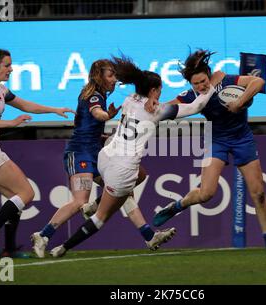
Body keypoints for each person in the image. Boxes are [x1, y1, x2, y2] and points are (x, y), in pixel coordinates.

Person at [48, 55, 219, 257]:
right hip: (122, 169)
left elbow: (145, 98)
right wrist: (211, 88)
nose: (161, 93)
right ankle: (63, 247)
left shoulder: (130, 99)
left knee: (137, 180)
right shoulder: (158, 110)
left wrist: (152, 98)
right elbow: (196, 107)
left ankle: (141, 231)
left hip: (105, 157)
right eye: (160, 89)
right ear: (154, 90)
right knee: (101, 217)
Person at [30, 59, 176, 258]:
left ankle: (148, 235)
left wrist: (104, 135)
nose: (114, 79)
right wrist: (106, 115)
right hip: (80, 153)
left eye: (115, 75)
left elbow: (82, 123)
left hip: (95, 151)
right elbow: (97, 114)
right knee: (80, 200)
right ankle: (43, 235)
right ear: (98, 76)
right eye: (110, 75)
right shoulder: (94, 97)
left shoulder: (95, 94)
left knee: (132, 182)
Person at [152, 49, 266, 253]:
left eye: (203, 81)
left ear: (209, 75)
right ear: (191, 84)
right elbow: (166, 109)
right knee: (206, 193)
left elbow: (258, 83)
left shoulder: (228, 81)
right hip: (216, 140)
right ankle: (177, 206)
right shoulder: (191, 96)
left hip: (242, 138)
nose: (201, 86)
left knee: (258, 193)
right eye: (196, 84)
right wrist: (150, 107)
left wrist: (239, 102)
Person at [0, 48, 75, 258]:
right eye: (7, 65)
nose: (11, 69)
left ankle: (9, 249)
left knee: (15, 198)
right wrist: (11, 123)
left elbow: (25, 105)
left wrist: (54, 110)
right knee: (27, 193)